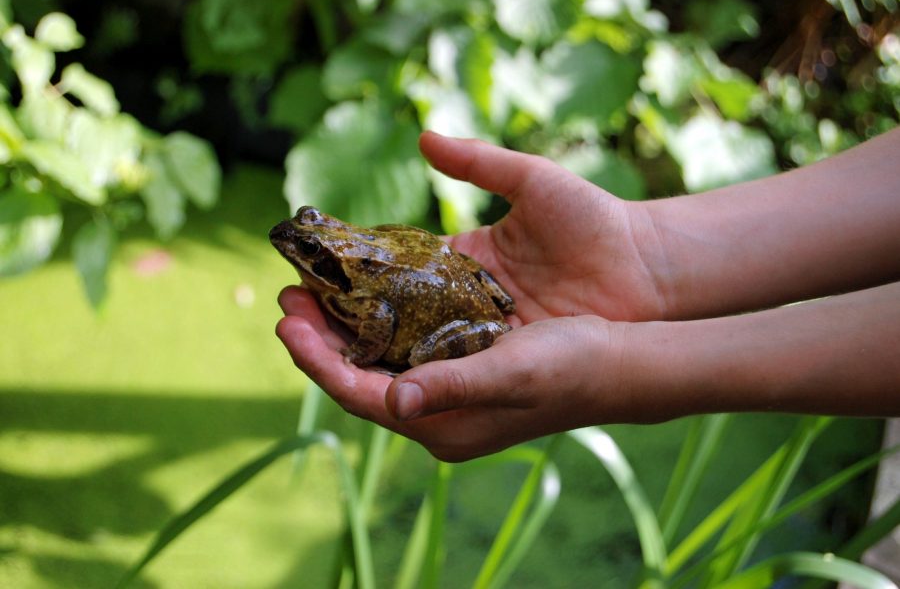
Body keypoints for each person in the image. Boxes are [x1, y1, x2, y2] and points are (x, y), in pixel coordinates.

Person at [275, 128, 900, 463]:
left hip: (444, 307)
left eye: (310, 249)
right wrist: (642, 248)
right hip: (462, 276)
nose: (300, 250)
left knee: (410, 350)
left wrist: (364, 352)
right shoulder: (353, 256)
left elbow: (380, 315)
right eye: (309, 240)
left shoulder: (358, 293)